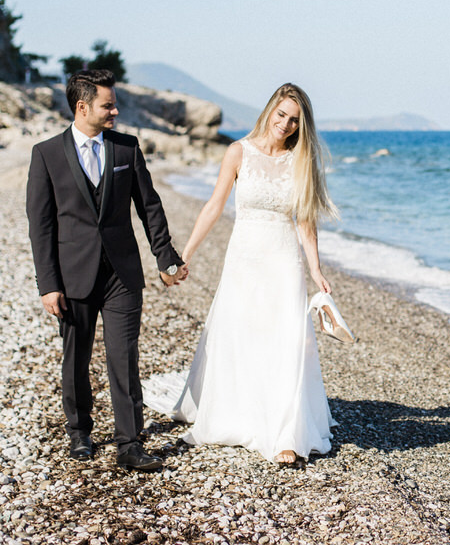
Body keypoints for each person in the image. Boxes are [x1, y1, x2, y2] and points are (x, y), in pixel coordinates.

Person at [144, 83, 338, 466]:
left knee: (284, 337)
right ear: (269, 111)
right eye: (281, 114)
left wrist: (315, 268)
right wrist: (185, 255)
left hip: (283, 258)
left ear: (302, 125)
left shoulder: (300, 160)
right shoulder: (238, 152)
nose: (285, 124)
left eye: (294, 120)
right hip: (245, 256)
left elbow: (305, 220)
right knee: (243, 331)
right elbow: (214, 205)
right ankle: (240, 413)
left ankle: (285, 433)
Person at [26, 69, 188, 471]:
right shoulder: (45, 154)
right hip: (72, 278)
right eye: (108, 104)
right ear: (82, 107)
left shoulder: (126, 148)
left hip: (122, 275)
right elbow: (40, 226)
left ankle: (129, 443)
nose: (115, 110)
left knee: (123, 357)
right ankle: (79, 432)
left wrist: (165, 256)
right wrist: (49, 285)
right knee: (76, 360)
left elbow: (149, 206)